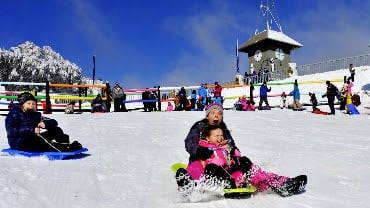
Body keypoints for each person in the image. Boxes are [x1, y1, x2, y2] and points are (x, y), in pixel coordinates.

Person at [177, 103, 307, 197]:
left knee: (246, 164)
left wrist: (234, 153)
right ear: (207, 115)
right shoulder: (199, 127)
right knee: (196, 168)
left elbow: (232, 146)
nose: (217, 115)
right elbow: (190, 142)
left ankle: (280, 183)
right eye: (213, 113)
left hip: (225, 164)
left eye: (220, 113)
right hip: (202, 160)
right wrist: (198, 151)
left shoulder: (224, 130)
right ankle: (191, 186)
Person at [5, 92, 82, 152]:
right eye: (28, 103)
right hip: (20, 143)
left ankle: (65, 144)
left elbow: (53, 122)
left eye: (33, 104)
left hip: (33, 138)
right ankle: (65, 149)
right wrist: (31, 129)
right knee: (43, 142)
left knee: (56, 130)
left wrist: (45, 124)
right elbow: (11, 130)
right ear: (22, 104)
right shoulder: (15, 113)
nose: (31, 106)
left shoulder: (35, 115)